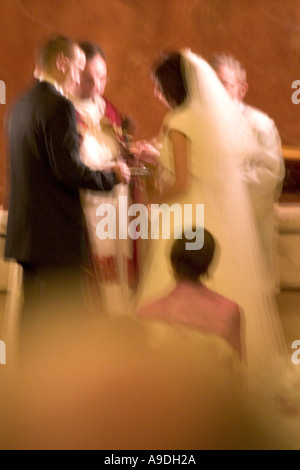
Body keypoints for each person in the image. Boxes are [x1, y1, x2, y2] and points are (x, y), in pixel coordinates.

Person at [135, 50, 291, 401]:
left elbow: (182, 180)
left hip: (185, 214)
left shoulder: (177, 119)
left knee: (176, 289)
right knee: (225, 289)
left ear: (171, 85)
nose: (156, 93)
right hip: (215, 218)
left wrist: (153, 201)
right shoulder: (210, 120)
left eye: (158, 87)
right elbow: (207, 166)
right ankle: (232, 382)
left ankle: (175, 381)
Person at [4, 36, 130, 338]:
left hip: (28, 233)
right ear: (62, 63)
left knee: (33, 316)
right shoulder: (59, 106)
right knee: (63, 321)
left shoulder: (20, 103)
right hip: (57, 235)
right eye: (77, 67)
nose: (77, 75)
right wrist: (112, 177)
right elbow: (68, 171)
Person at [70, 41, 136, 316]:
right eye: (89, 78)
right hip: (86, 200)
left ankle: (121, 315)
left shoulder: (109, 109)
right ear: (75, 73)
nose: (97, 85)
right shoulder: (64, 110)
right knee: (96, 262)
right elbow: (70, 162)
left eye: (102, 77)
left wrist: (130, 155)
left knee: (118, 261)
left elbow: (119, 147)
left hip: (116, 201)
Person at [210, 54, 285, 292]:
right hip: (212, 226)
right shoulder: (205, 123)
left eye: (223, 84)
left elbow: (269, 173)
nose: (214, 91)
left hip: (251, 224)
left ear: (242, 89)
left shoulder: (260, 124)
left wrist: (222, 183)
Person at [138, 229, 243, 358]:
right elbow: (238, 371)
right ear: (209, 265)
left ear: (171, 262)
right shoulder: (230, 311)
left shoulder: (146, 311)